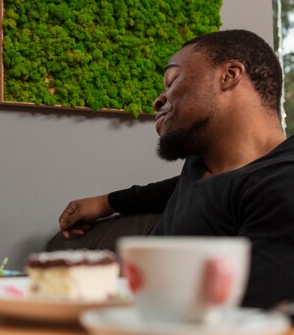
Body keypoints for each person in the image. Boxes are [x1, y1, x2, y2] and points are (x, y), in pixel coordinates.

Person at [58, 29, 294, 309]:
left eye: (172, 80)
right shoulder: (204, 166)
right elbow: (171, 190)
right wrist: (106, 202)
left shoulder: (283, 184)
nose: (158, 100)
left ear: (229, 75)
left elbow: (259, 320)